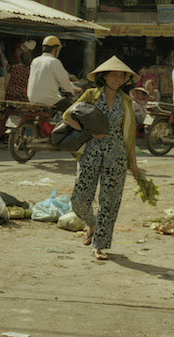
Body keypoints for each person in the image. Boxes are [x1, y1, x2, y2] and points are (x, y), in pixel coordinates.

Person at [65, 55, 142, 261]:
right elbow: (68, 116)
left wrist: (134, 164)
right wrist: (87, 131)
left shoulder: (126, 101)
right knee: (79, 200)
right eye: (113, 75)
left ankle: (99, 245)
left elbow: (131, 134)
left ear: (125, 79)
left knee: (109, 202)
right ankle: (91, 224)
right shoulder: (91, 95)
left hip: (116, 157)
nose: (117, 79)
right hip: (90, 154)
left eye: (121, 76)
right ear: (104, 76)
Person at [27, 35, 78, 110]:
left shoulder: (35, 61)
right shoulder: (54, 61)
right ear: (55, 49)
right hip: (49, 100)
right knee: (73, 110)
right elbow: (64, 82)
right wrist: (73, 90)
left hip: (32, 99)